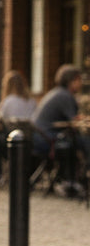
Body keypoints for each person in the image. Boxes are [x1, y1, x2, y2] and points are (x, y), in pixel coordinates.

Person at [32, 64, 87, 194]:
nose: (81, 84)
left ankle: (70, 180)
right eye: (79, 80)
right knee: (84, 142)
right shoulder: (65, 96)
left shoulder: (56, 93)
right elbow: (75, 121)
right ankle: (73, 181)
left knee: (79, 141)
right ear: (72, 81)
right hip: (47, 139)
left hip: (39, 136)